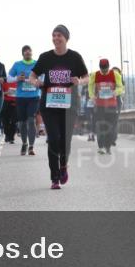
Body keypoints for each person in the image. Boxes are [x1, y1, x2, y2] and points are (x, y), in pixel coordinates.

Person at [27, 25, 88, 189]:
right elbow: (32, 76)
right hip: (49, 104)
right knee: (53, 139)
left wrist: (79, 81)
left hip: (69, 106)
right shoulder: (45, 57)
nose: (56, 38)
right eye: (53, 35)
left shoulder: (75, 57)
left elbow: (87, 77)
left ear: (66, 38)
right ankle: (54, 177)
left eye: (59, 35)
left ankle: (63, 165)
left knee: (65, 140)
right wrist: (36, 82)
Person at [9, 46, 40, 155]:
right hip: (21, 97)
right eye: (25, 51)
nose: (28, 52)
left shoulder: (37, 64)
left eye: (29, 51)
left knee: (31, 120)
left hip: (34, 96)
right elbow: (8, 77)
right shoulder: (17, 64)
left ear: (31, 53)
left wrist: (37, 81)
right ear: (23, 53)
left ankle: (31, 146)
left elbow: (43, 77)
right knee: (22, 123)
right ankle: (24, 143)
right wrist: (17, 79)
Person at [89, 59, 124, 154]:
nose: (104, 72)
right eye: (102, 70)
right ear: (99, 67)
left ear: (109, 67)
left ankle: (108, 147)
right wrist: (92, 96)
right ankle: (101, 147)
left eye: (105, 70)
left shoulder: (115, 74)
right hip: (99, 105)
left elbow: (121, 87)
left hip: (112, 105)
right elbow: (90, 86)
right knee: (101, 126)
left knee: (110, 127)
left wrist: (116, 92)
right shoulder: (94, 75)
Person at [0, 78, 18, 146]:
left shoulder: (18, 82)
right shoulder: (5, 82)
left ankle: (12, 137)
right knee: (5, 120)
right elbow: (0, 92)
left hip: (15, 103)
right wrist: (6, 93)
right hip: (6, 102)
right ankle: (7, 135)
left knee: (14, 121)